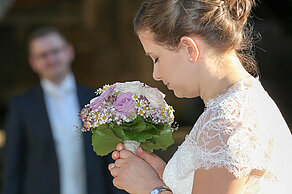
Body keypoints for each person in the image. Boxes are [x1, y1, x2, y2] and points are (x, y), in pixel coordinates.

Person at [108, 0, 292, 193]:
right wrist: (166, 177)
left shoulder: (227, 121)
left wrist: (150, 188)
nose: (156, 74)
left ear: (190, 49)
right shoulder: (240, 102)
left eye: (156, 58)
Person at [3, 27, 125, 194]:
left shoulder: (97, 100)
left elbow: (111, 159)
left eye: (56, 51)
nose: (51, 58)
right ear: (33, 62)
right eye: (43, 55)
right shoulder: (21, 106)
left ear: (69, 52)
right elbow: (12, 168)